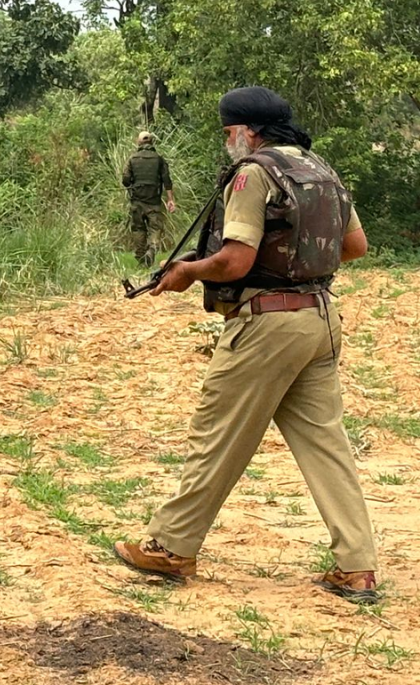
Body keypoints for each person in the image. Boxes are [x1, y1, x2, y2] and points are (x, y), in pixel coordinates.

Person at [113, 86, 379, 604]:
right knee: (327, 446)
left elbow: (234, 261)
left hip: (267, 324)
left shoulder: (253, 173)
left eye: (228, 131)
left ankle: (171, 547)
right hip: (321, 318)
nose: (228, 141)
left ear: (246, 130)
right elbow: (355, 247)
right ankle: (358, 566)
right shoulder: (320, 170)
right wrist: (299, 269)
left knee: (217, 432)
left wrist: (188, 271)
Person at [122, 131, 177, 266]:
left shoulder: (132, 159)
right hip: (154, 203)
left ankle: (141, 257)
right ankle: (152, 249)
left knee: (138, 229)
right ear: (152, 143)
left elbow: (125, 180)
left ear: (139, 142)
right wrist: (170, 200)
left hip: (137, 202)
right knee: (155, 229)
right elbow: (167, 181)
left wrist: (133, 185)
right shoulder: (159, 159)